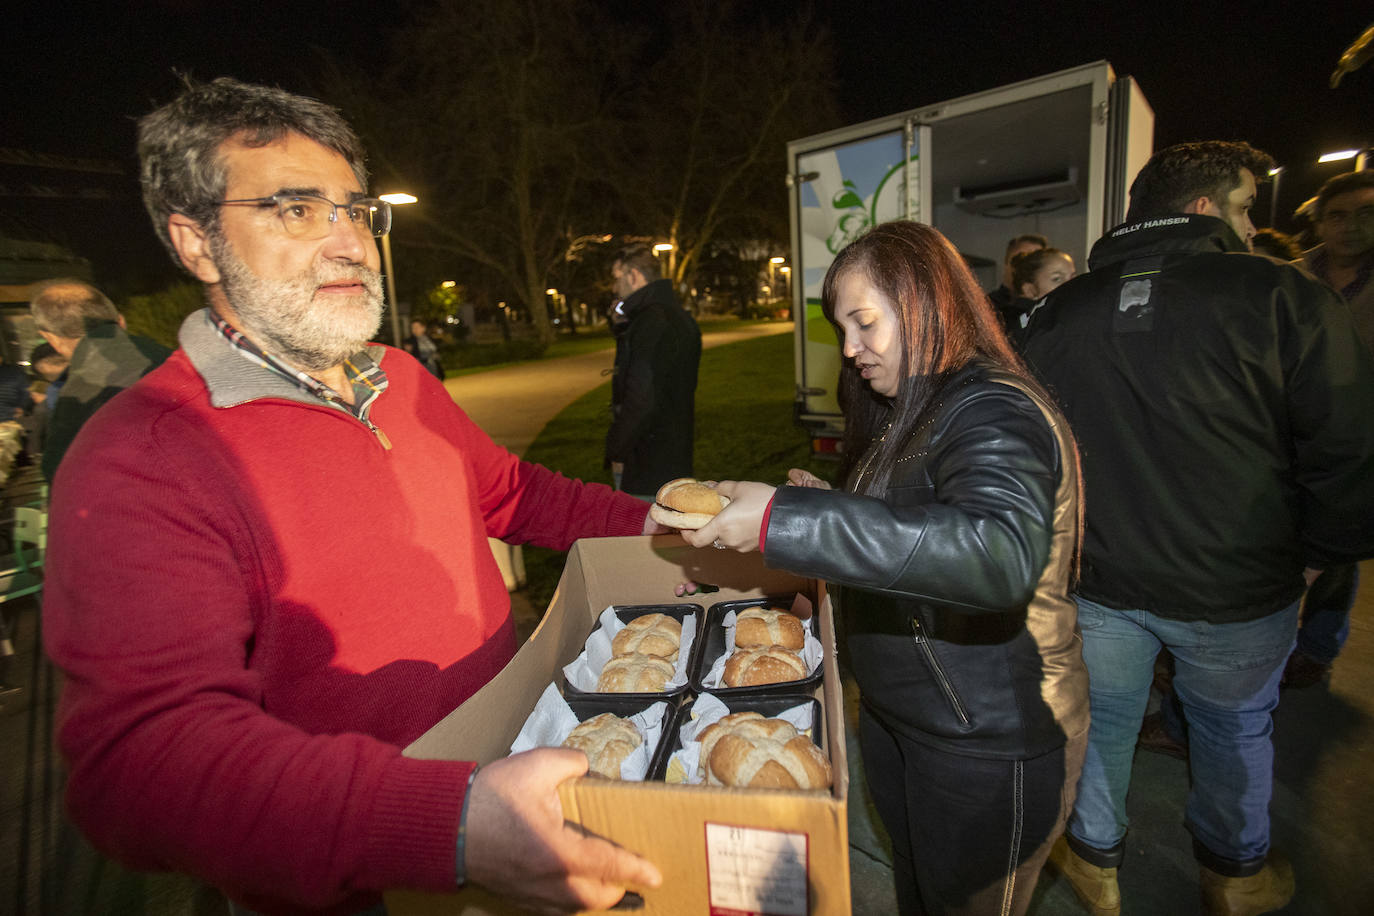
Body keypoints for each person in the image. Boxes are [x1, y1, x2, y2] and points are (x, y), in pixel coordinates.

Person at [43, 76, 663, 915]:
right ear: (194, 244)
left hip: (518, 791)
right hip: (366, 880)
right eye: (295, 211)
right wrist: (446, 823)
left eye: (355, 210)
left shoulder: (400, 378)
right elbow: (139, 762)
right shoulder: (143, 455)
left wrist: (676, 525)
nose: (348, 244)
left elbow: (517, 495)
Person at [680, 220, 1090, 916]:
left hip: (988, 743)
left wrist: (788, 522)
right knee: (919, 893)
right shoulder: (905, 411)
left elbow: (995, 552)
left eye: (864, 322)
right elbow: (907, 530)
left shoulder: (991, 406)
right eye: (842, 328)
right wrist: (814, 514)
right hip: (906, 722)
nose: (850, 349)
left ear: (928, 301)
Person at [1022, 141, 1374, 916]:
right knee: (1234, 725)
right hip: (1239, 585)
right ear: (1206, 208)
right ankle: (1234, 875)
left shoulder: (1058, 311)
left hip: (1103, 577)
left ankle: (1094, 862)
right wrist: (1321, 558)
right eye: (1248, 207)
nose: (1255, 228)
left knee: (1104, 719)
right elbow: (1348, 448)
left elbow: (1032, 451)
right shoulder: (1284, 296)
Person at [1281, 169, 1374, 689]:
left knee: (1336, 550)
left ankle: (1315, 648)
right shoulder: (1286, 277)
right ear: (1319, 220)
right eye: (1338, 215)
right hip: (1288, 435)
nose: (1351, 227)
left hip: (1357, 441)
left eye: (1365, 214)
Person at [28, 278, 172, 482]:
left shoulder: (78, 396)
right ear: (121, 321)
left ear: (51, 339)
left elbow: (62, 478)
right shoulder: (176, 359)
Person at [604, 243, 701, 496]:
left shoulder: (650, 323)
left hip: (645, 463)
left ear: (633, 275)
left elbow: (640, 397)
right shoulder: (679, 317)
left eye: (617, 279)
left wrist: (616, 449)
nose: (615, 288)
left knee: (640, 531)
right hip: (675, 455)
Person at [1003, 247, 1076, 346]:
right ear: (1030, 290)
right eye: (1057, 279)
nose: (1070, 284)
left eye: (1073, 277)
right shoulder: (1017, 325)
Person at [986, 232, 1049, 337]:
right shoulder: (987, 305)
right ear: (1006, 263)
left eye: (1034, 262)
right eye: (1020, 259)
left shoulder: (1049, 309)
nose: (1026, 267)